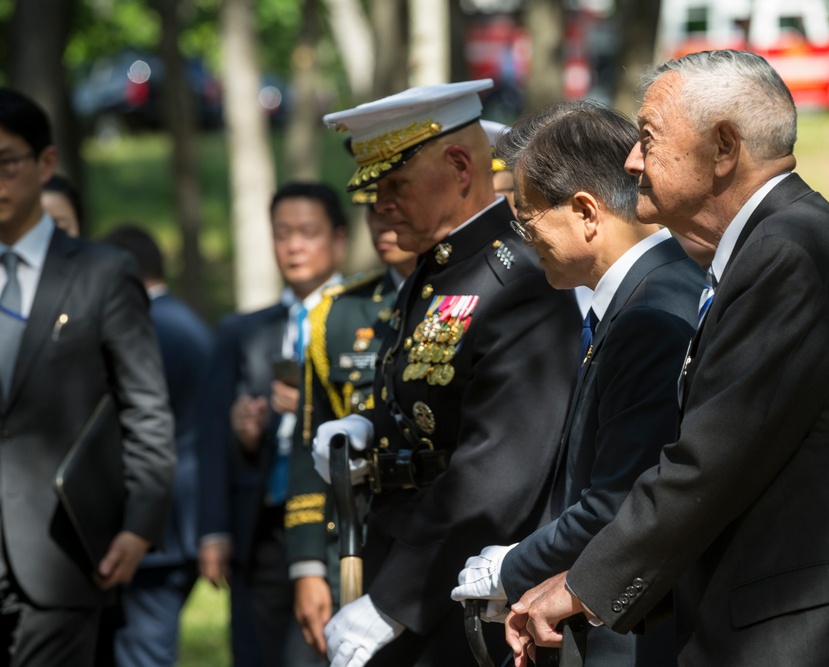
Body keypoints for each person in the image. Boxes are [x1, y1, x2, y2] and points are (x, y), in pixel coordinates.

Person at [506, 50, 829, 667]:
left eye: (648, 137)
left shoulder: (785, 255)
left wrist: (581, 586)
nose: (631, 161)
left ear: (724, 148)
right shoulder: (772, 247)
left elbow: (709, 464)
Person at [315, 79, 580, 666]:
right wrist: (369, 430)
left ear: (460, 167)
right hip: (410, 561)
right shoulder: (440, 267)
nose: (379, 205)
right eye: (375, 188)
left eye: (396, 185)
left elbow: (497, 472)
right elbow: (426, 400)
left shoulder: (517, 282)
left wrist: (393, 602)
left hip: (458, 588)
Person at [450, 101, 702, 666]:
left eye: (527, 220)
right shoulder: (652, 292)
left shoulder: (649, 316)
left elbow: (620, 501)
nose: (525, 239)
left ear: (587, 211)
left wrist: (511, 567)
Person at [0, 88, 174, 666]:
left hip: (62, 552)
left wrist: (139, 524)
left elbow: (144, 407)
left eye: (6, 163)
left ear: (45, 162)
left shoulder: (103, 274)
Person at [197, 182, 348, 667]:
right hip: (261, 522)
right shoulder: (242, 332)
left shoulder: (366, 319)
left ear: (339, 240)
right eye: (283, 234)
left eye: (308, 232)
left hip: (335, 522)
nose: (294, 246)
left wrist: (313, 406)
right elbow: (211, 437)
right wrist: (213, 528)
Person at [284, 185, 418, 658]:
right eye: (372, 212)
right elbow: (308, 445)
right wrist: (306, 565)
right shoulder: (336, 314)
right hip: (350, 542)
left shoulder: (474, 297)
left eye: (393, 207)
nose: (383, 223)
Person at [101, 225, 213, 667]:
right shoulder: (182, 320)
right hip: (179, 518)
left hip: (156, 523)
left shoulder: (148, 326)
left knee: (140, 653)